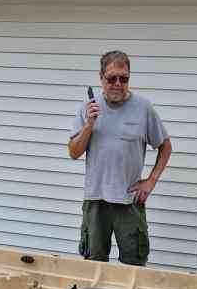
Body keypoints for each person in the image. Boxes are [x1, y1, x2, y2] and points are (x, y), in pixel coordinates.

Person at [68, 50, 172, 267]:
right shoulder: (88, 109)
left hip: (129, 201)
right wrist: (89, 124)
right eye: (111, 78)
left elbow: (165, 147)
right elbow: (74, 152)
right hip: (96, 200)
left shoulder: (143, 108)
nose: (118, 83)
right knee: (94, 265)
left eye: (123, 78)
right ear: (101, 77)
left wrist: (151, 181)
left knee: (134, 265)